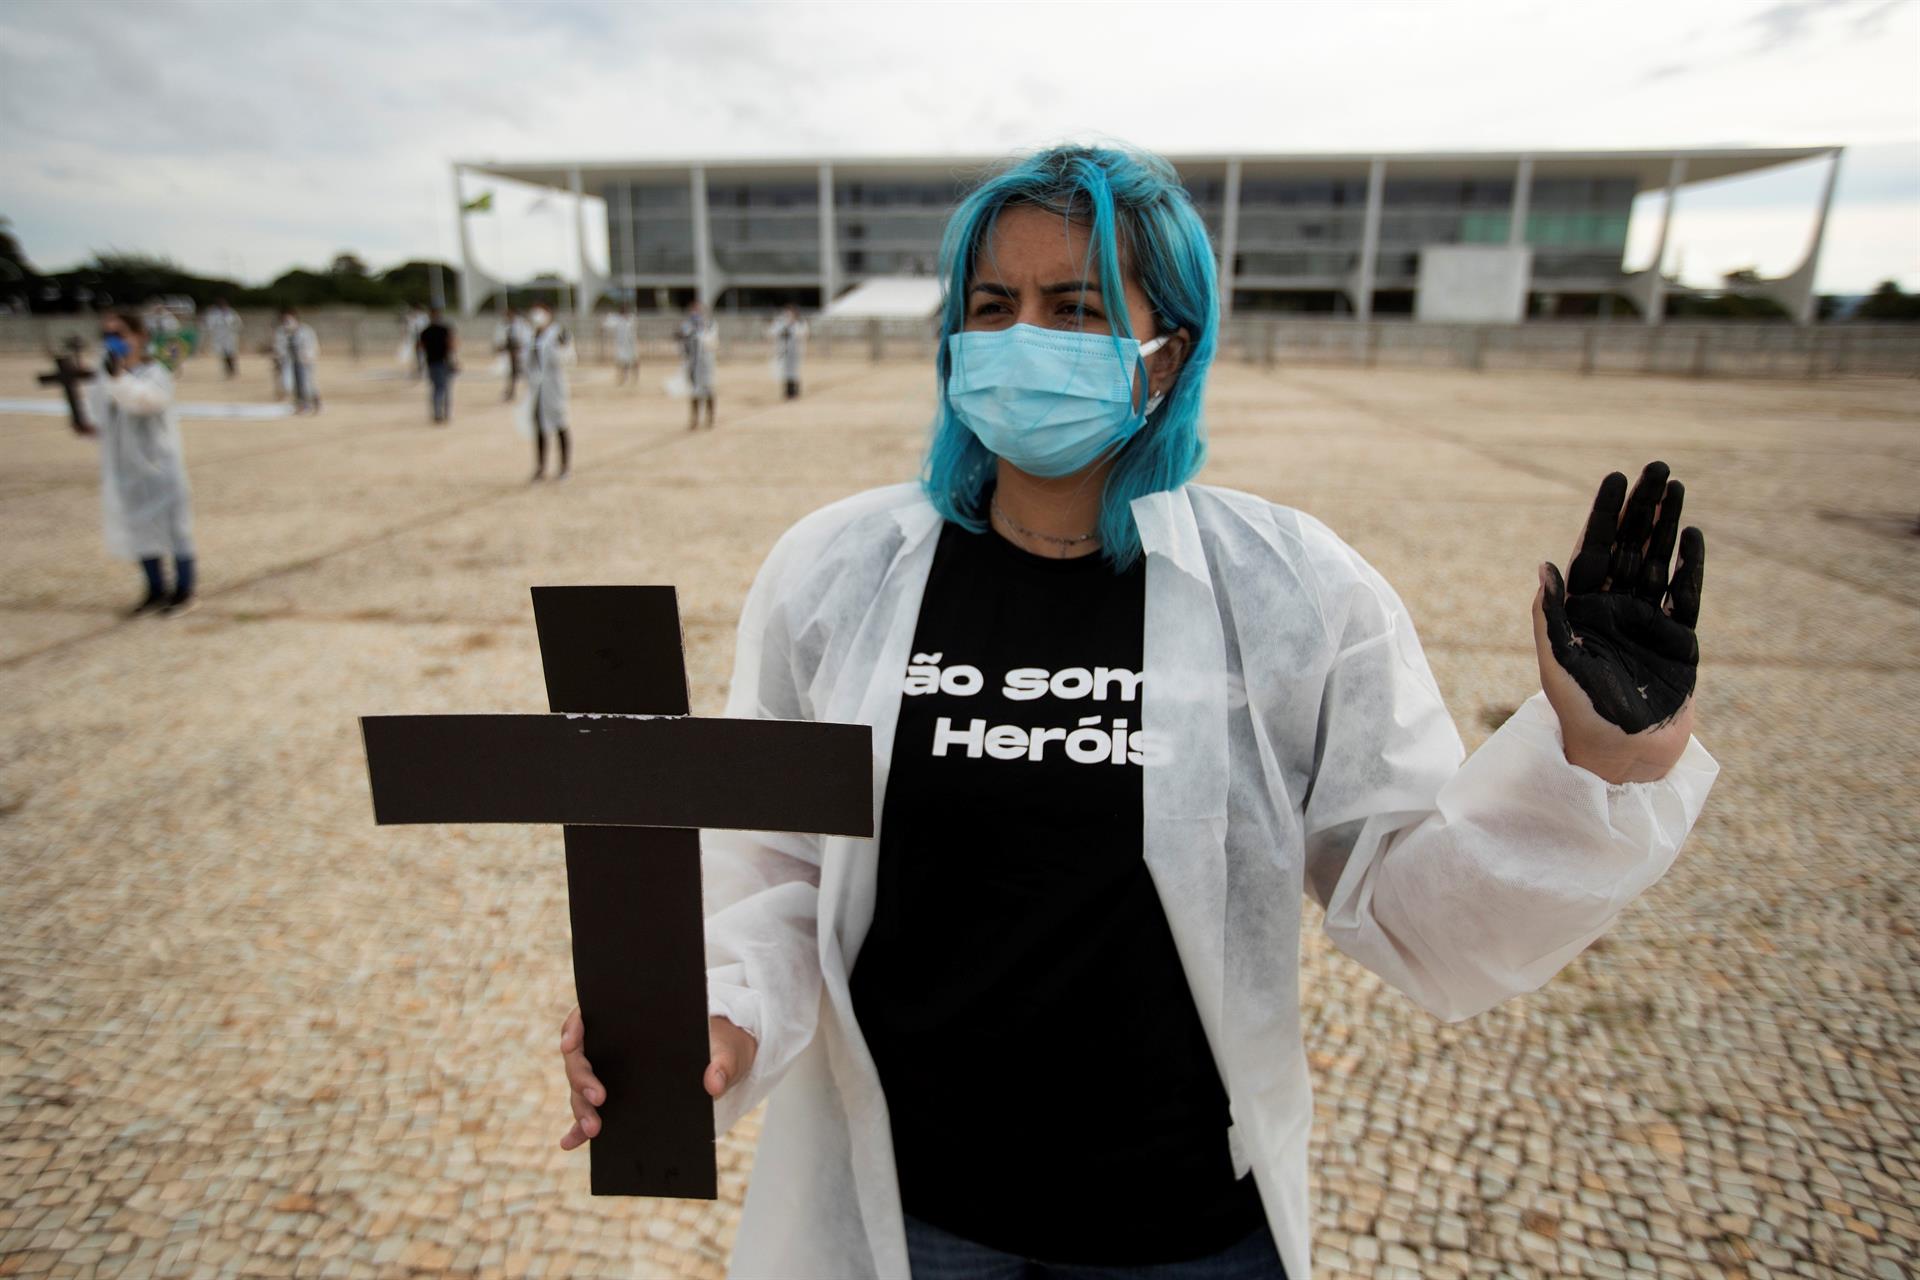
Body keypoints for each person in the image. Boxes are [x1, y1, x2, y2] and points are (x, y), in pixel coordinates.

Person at [557, 145, 1720, 1280]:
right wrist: (713, 1012)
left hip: (1183, 1226)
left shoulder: (1289, 589)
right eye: (993, 304)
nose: (1026, 338)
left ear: (1168, 354)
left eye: (1076, 308)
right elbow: (776, 868)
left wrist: (1595, 762)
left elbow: (1406, 895)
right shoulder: (837, 575)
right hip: (914, 1213)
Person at [86, 311, 198, 618]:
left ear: (140, 336)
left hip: (159, 463)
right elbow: (97, 413)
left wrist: (118, 378)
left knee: (175, 529)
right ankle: (154, 590)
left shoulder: (156, 371)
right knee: (140, 529)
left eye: (120, 333)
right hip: (126, 465)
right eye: (107, 335)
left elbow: (145, 402)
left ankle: (184, 589)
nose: (113, 341)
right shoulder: (105, 373)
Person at [520, 304, 573, 480]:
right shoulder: (530, 335)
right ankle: (541, 467)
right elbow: (526, 362)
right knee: (540, 427)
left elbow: (566, 358)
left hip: (554, 387)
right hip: (538, 389)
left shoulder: (558, 334)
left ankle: (564, 466)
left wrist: (561, 346)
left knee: (560, 424)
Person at [676, 300, 717, 430]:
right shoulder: (687, 326)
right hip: (693, 365)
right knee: (694, 392)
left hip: (706, 365)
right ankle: (694, 419)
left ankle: (710, 417)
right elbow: (681, 340)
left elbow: (712, 343)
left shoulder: (710, 325)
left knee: (708, 390)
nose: (696, 313)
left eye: (698, 310)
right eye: (694, 310)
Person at [273, 309, 321, 414]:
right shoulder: (282, 332)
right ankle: (299, 405)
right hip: (290, 362)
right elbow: (279, 347)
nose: (287, 323)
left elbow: (312, 345)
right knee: (290, 384)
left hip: (303, 362)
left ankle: (313, 403)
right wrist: (279, 358)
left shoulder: (306, 331)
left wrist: (308, 356)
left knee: (307, 384)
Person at [416, 307, 458, 424]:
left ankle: (438, 412)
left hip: (432, 362)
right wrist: (454, 361)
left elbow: (420, 347)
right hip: (442, 362)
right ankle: (442, 412)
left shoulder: (426, 331)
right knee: (443, 388)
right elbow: (451, 345)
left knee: (436, 388)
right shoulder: (443, 330)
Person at [768, 302, 807, 400]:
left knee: (794, 372)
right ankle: (787, 391)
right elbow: (772, 332)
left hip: (795, 351)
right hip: (783, 351)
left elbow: (803, 333)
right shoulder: (780, 323)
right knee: (784, 372)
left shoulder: (799, 323)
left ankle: (794, 391)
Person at [497, 305, 532, 402]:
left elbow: (523, 340)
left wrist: (516, 350)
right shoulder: (509, 325)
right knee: (512, 374)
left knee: (526, 374)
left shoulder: (521, 325)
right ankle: (511, 392)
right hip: (513, 355)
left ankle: (531, 392)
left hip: (522, 354)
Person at [603, 301, 640, 387]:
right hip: (621, 345)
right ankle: (622, 378)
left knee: (634, 361)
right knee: (621, 362)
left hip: (631, 345)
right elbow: (607, 324)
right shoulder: (617, 320)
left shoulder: (631, 319)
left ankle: (635, 376)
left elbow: (633, 328)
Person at [203, 298, 242, 378]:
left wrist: (234, 329)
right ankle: (227, 370)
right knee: (223, 354)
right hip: (219, 337)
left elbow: (237, 323)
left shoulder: (231, 312)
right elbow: (209, 325)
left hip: (229, 336)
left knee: (231, 353)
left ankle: (232, 369)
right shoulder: (213, 314)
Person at [404, 304, 429, 380]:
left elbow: (422, 328)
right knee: (417, 355)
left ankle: (422, 369)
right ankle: (419, 369)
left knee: (421, 354)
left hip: (421, 338)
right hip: (416, 338)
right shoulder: (415, 318)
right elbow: (411, 328)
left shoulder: (423, 317)